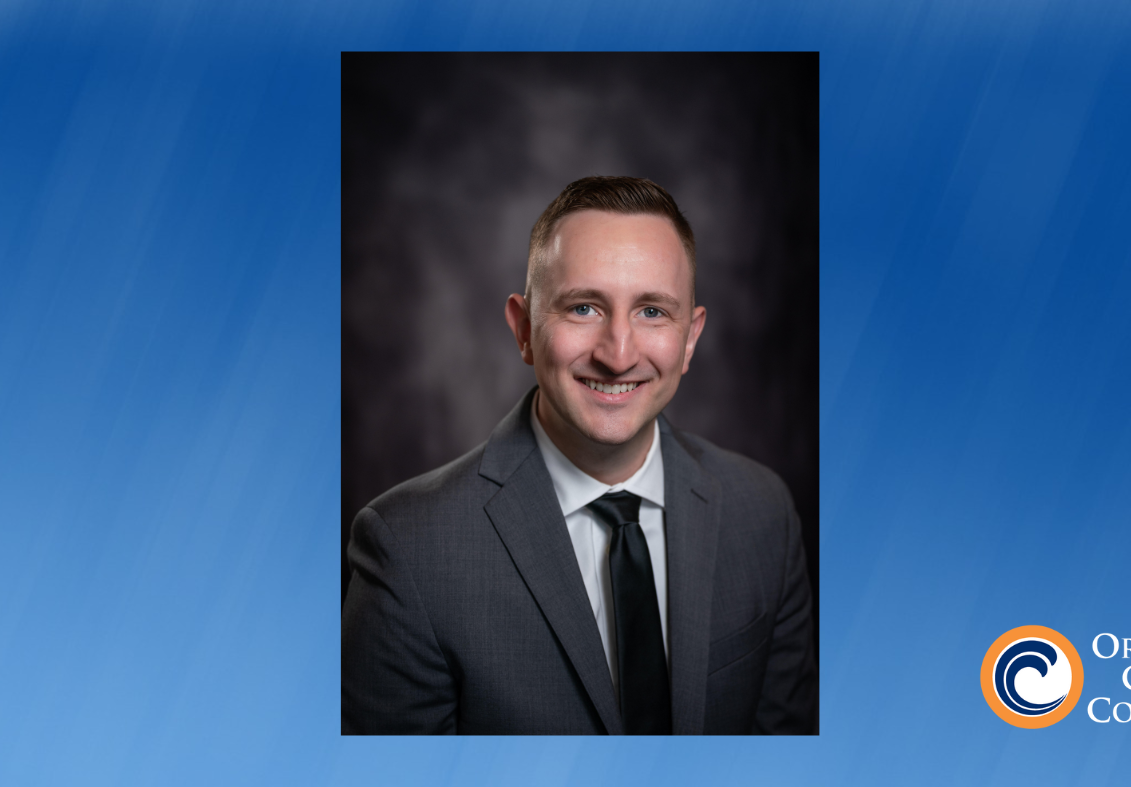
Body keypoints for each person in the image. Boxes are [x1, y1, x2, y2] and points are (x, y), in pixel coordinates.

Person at [342, 176, 816, 734]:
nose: (618, 354)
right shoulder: (409, 549)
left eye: (653, 312)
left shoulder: (763, 512)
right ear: (523, 331)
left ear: (690, 339)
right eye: (585, 308)